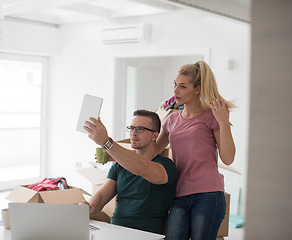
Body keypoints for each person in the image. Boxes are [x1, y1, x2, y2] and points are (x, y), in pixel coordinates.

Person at [155, 61, 236, 240]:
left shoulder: (211, 117)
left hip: (208, 195)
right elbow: (152, 152)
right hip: (179, 195)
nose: (175, 90)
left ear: (197, 89)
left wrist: (223, 122)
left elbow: (228, 158)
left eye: (182, 86)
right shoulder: (171, 119)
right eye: (175, 85)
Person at [83, 109, 177, 234]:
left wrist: (106, 142)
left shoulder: (166, 166)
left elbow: (142, 168)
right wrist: (89, 207)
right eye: (131, 128)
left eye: (140, 129)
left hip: (145, 235)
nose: (133, 133)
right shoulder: (119, 166)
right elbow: (101, 197)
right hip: (116, 232)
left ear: (155, 135)